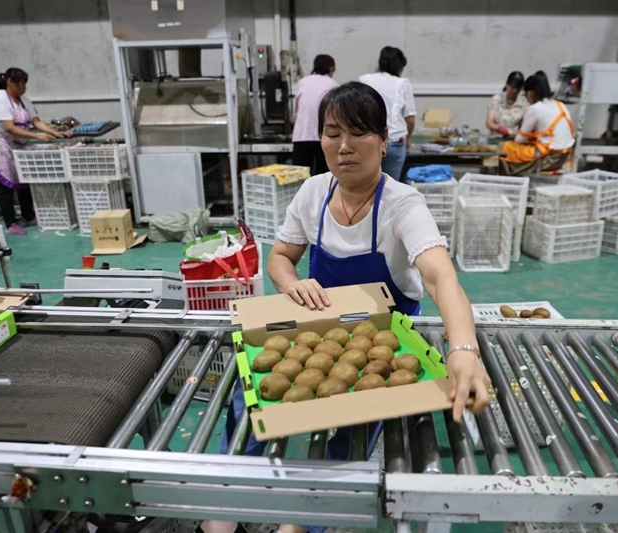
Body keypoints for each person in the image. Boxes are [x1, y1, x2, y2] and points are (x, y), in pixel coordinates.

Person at [209, 83, 491, 533]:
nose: (343, 147)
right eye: (332, 132)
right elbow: (280, 256)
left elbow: (440, 277)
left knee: (347, 438)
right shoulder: (313, 193)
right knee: (247, 404)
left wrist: (463, 349)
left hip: (383, 337)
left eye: (358, 134)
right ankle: (221, 518)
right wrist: (291, 284)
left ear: (383, 140)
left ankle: (302, 524)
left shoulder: (403, 205)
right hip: (318, 326)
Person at [0, 68, 70, 235]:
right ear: (10, 82)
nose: (24, 88)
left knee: (24, 180)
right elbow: (9, 128)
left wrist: (55, 132)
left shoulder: (24, 100)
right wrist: (36, 136)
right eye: (20, 84)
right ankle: (10, 223)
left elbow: (36, 121)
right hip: (3, 144)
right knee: (6, 184)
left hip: (20, 144)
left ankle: (29, 216)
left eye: (25, 84)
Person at [359, 46, 416, 181]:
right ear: (399, 66)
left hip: (369, 139)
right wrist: (409, 138)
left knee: (366, 184)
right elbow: (411, 119)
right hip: (395, 140)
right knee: (391, 186)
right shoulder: (402, 83)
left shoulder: (365, 80)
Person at [500, 73, 574, 174]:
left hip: (549, 157)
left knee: (507, 148)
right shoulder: (560, 105)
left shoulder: (535, 109)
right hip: (565, 155)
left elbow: (519, 139)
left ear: (530, 93)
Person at [292, 55, 339, 175]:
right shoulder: (333, 84)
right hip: (323, 137)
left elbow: (295, 111)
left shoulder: (302, 82)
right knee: (323, 177)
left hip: (301, 136)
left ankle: (301, 194)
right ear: (331, 68)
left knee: (299, 176)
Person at [485, 71, 527, 138]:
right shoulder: (497, 99)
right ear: (507, 84)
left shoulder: (524, 103)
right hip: (496, 137)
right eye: (512, 87)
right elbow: (489, 122)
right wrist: (499, 128)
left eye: (518, 89)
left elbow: (525, 126)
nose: (515, 91)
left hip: (514, 139)